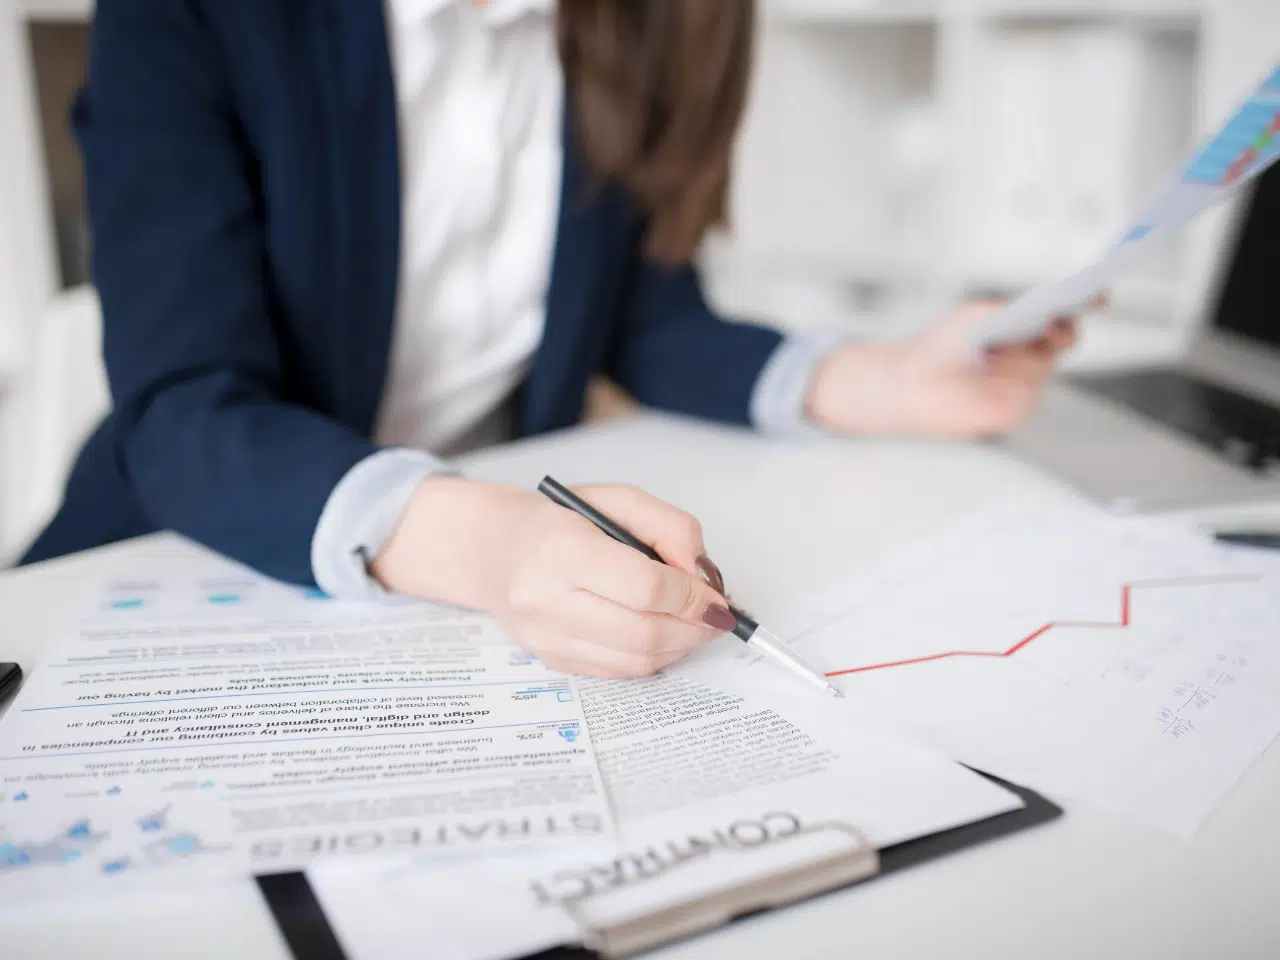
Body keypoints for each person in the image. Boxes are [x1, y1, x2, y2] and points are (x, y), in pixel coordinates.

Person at [24, 0, 1077, 679]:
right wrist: (490, 544)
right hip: (168, 569)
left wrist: (885, 381)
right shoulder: (190, 16)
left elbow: (642, 317)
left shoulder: (642, 23)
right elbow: (184, 408)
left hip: (451, 615)